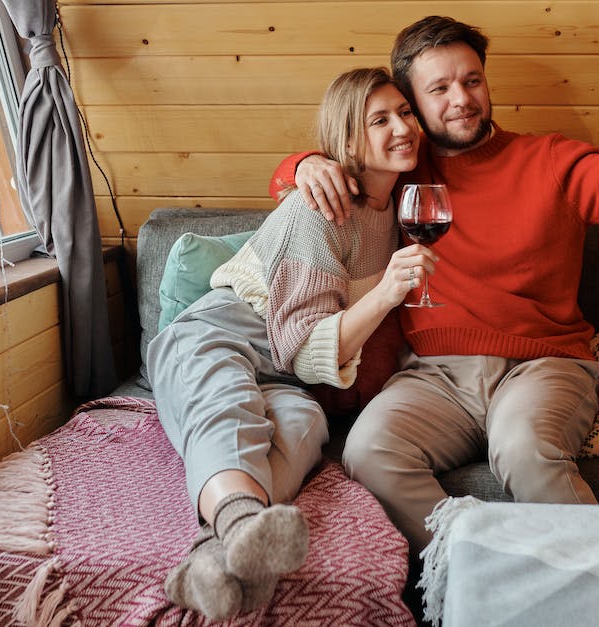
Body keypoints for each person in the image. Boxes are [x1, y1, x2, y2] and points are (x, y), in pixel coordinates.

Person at [270, 16, 599, 558]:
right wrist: (303, 166)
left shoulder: (547, 160)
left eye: (472, 80)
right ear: (412, 104)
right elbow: (319, 177)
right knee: (367, 451)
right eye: (438, 89)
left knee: (524, 450)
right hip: (436, 375)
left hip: (543, 365)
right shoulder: (402, 166)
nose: (461, 99)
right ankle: (471, 570)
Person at [147, 67, 434, 620]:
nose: (403, 126)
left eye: (405, 112)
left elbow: (307, 361)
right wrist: (388, 294)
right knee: (226, 405)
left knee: (304, 430)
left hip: (288, 372)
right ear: (348, 142)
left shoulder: (399, 208)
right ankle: (235, 529)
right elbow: (306, 346)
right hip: (224, 332)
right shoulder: (320, 208)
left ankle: (214, 553)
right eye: (381, 119)